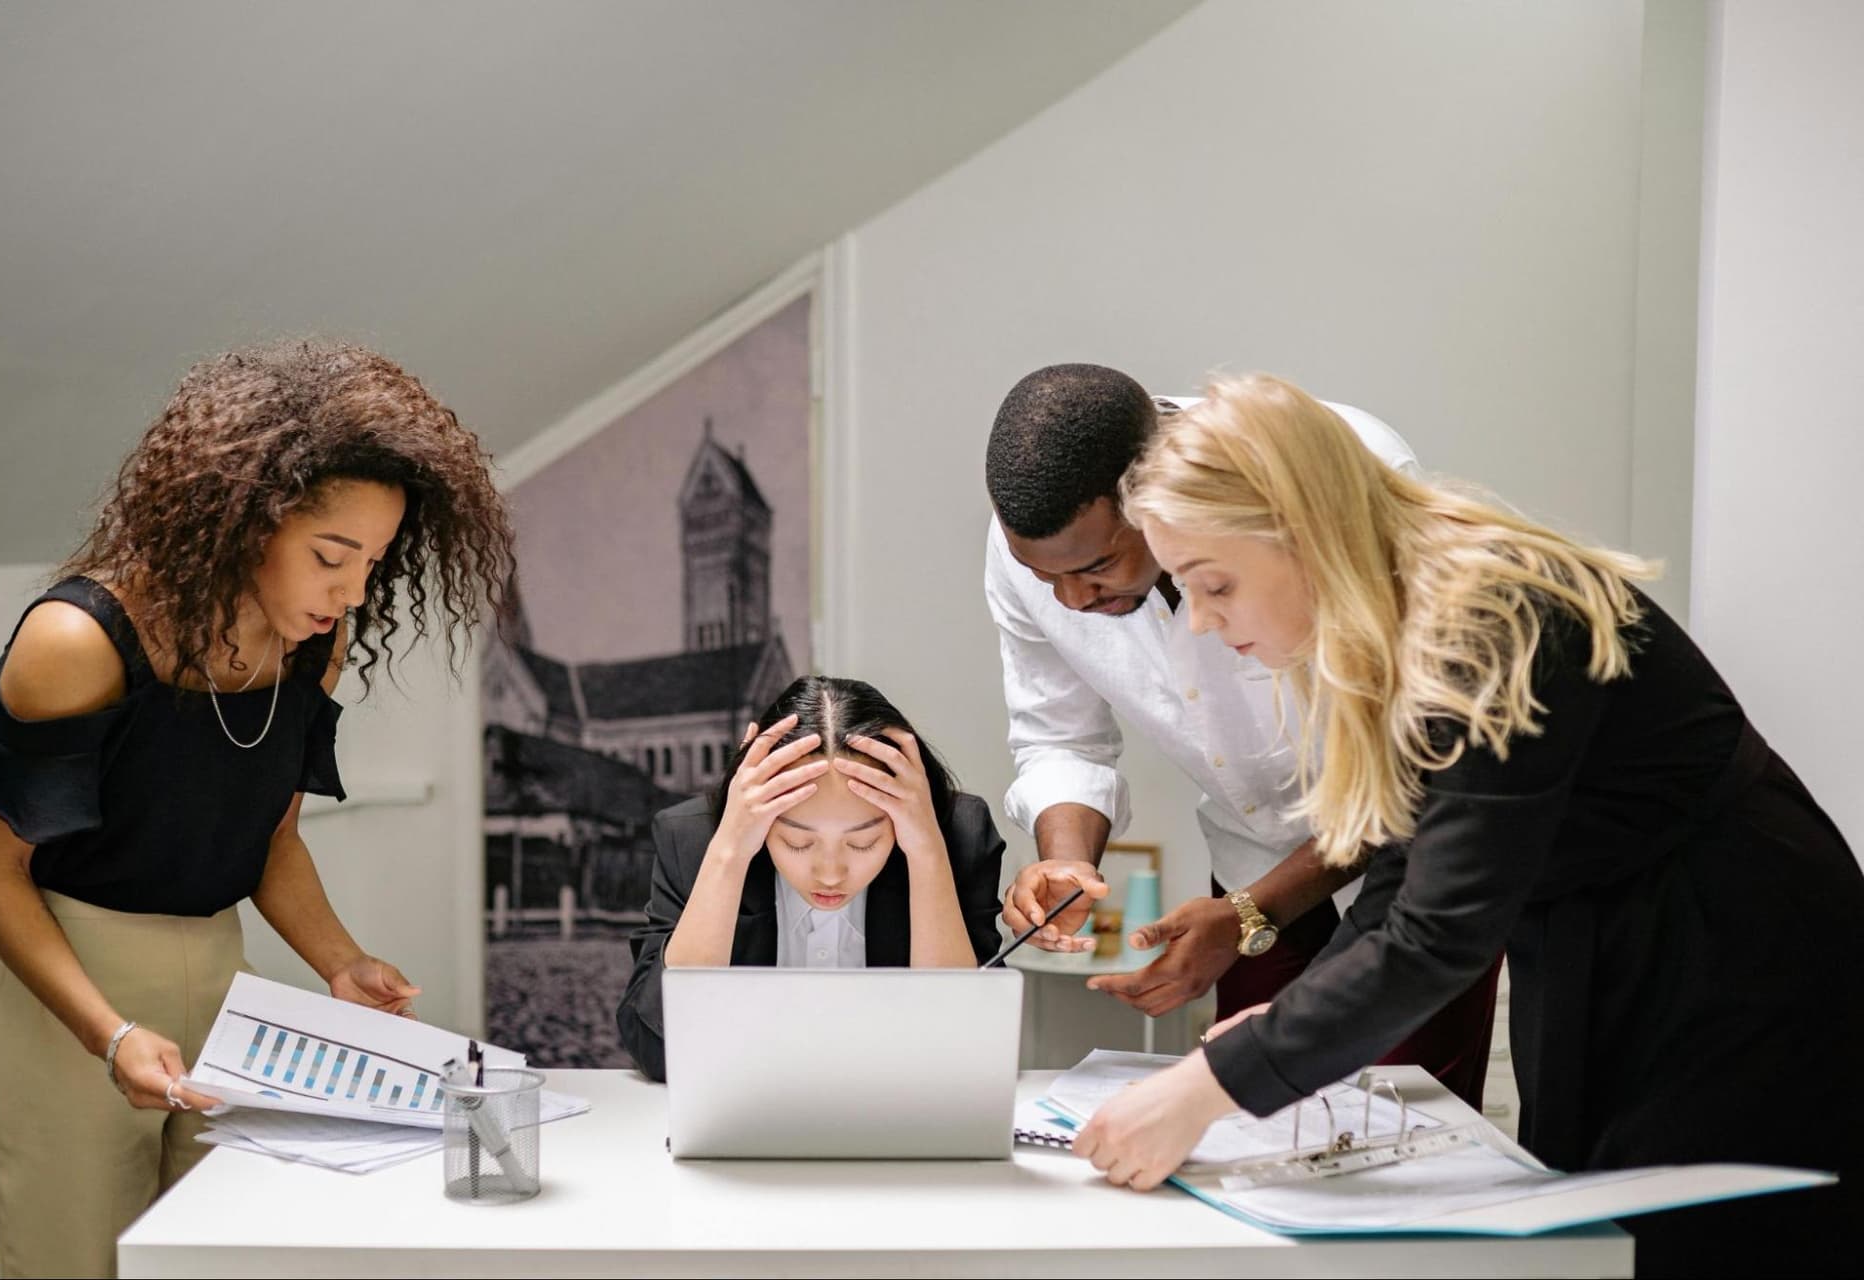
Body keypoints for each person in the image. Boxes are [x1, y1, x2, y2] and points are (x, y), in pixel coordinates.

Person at [1075, 372, 1864, 1277]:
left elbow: (1436, 934)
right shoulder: (1398, 610)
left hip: (1737, 947)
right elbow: (1405, 868)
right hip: (1594, 936)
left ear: (1303, 532)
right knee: (1590, 1229)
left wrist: (1211, 1086)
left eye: (1213, 586)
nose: (1204, 625)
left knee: (1706, 1242)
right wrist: (1280, 1021)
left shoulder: (1488, 614)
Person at [0, 339, 514, 1279]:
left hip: (219, 984)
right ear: (246, 522)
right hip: (66, 999)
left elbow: (272, 841)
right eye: (333, 557)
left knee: (219, 1262)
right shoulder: (77, 640)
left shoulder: (312, 647)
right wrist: (111, 1033)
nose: (355, 592)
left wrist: (342, 962)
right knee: (75, 1266)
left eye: (373, 562)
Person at [984, 363, 1498, 1105]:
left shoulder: (1344, 477)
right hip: (1249, 856)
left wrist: (1255, 911)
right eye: (1044, 578)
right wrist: (1069, 869)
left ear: (1157, 499)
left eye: (1097, 567)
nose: (1070, 599)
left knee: (1403, 1121)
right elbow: (1060, 736)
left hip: (1413, 861)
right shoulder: (1037, 541)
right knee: (1247, 1114)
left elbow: (1418, 775)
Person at [617, 676, 1007, 1080]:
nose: (830, 874)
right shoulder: (694, 838)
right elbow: (659, 1050)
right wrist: (729, 853)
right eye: (797, 842)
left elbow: (965, 1054)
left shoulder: (955, 835)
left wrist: (926, 851)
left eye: (863, 843)